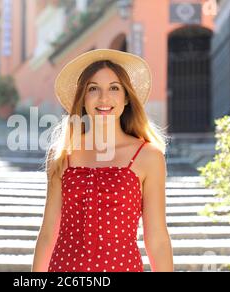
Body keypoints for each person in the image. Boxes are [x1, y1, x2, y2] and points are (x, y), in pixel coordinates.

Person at [32, 49, 173, 272]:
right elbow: (48, 232)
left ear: (127, 97)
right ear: (83, 98)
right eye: (93, 89)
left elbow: (157, 239)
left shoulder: (148, 156)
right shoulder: (61, 155)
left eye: (114, 88)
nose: (104, 98)